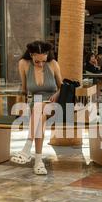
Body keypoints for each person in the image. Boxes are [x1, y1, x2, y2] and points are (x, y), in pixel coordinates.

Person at [11, 41, 63, 175]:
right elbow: (24, 89)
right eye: (37, 61)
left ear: (47, 56)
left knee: (39, 110)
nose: (41, 64)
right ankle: (38, 162)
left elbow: (62, 87)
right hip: (36, 105)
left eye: (43, 61)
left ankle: (27, 149)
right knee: (39, 115)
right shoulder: (23, 64)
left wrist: (57, 94)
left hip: (53, 103)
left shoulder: (53, 64)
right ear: (31, 55)